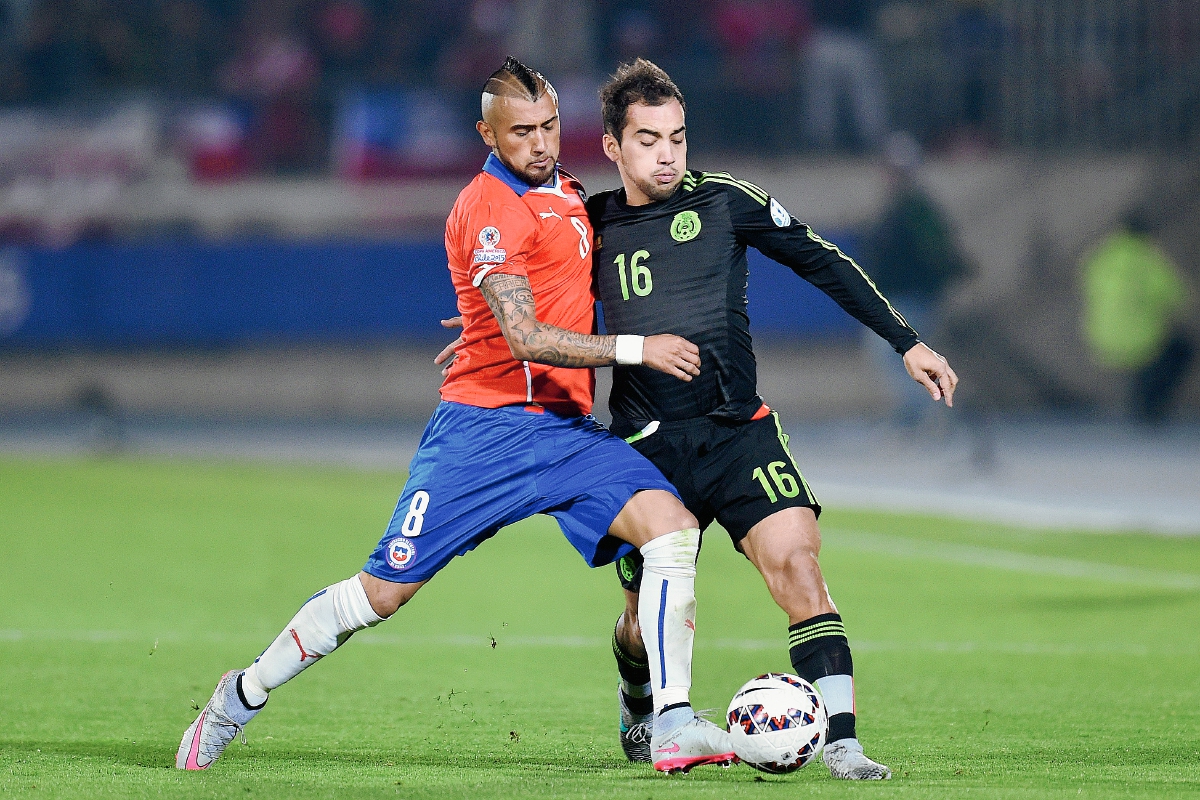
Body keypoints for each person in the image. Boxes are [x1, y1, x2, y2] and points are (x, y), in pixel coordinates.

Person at [176, 56, 738, 775]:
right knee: (382, 593)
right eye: (522, 132)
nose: (540, 143)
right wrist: (638, 348)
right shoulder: (486, 206)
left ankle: (668, 722)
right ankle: (238, 697)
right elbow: (525, 336)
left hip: (564, 433)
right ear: (486, 132)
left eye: (550, 127)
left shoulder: (567, 191)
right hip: (485, 431)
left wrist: (480, 321)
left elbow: (552, 295)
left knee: (672, 532)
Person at [588, 60, 956, 781]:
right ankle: (640, 696)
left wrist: (906, 341)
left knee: (799, 565)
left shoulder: (726, 201)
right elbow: (532, 303)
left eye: (678, 137)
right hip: (646, 448)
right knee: (638, 623)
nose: (667, 154)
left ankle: (844, 743)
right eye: (648, 139)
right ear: (613, 146)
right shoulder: (591, 225)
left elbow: (821, 260)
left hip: (737, 431)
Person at [863, 132, 969, 423]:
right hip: (899, 297)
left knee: (899, 357)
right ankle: (923, 417)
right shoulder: (901, 208)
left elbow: (935, 254)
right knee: (897, 358)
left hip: (910, 297)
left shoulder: (916, 210)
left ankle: (925, 416)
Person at [1081, 210, 1194, 424]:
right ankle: (1149, 407)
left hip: (1099, 339)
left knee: (1142, 355)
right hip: (1142, 342)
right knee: (1181, 351)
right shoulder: (1148, 260)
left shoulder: (1100, 256)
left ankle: (1139, 403)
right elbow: (1178, 296)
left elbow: (1087, 287)